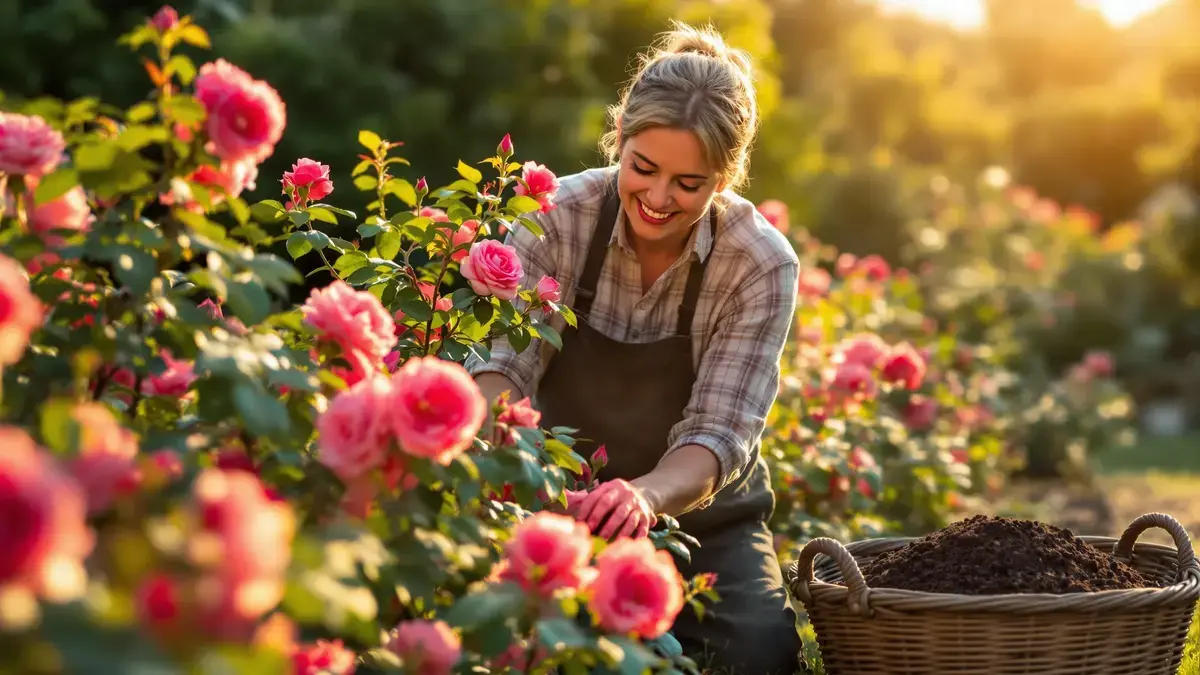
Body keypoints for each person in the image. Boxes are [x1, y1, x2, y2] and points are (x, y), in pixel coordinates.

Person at [467, 20, 803, 675]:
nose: (657, 197)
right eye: (642, 168)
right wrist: (526, 476)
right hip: (549, 491)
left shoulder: (759, 262)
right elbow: (501, 367)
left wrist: (644, 497)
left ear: (724, 178)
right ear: (620, 136)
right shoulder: (558, 216)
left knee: (758, 652)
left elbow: (719, 431)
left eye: (688, 183)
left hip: (699, 518)